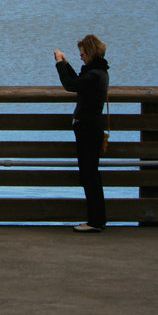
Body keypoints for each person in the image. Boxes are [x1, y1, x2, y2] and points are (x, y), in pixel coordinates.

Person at [54, 34, 109, 233]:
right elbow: (78, 80)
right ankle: (96, 220)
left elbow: (71, 85)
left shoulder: (94, 75)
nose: (81, 57)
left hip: (88, 130)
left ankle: (95, 221)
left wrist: (60, 64)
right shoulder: (97, 72)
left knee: (89, 176)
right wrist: (66, 63)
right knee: (90, 175)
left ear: (91, 53)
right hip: (90, 129)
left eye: (83, 54)